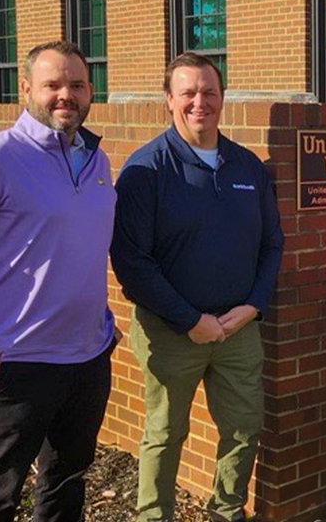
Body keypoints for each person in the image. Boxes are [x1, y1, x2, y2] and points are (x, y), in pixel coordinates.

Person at [111, 53, 284, 522]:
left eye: (209, 91)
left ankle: (227, 511)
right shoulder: (146, 170)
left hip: (238, 330)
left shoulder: (246, 166)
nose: (199, 102)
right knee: (165, 433)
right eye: (187, 92)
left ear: (222, 97)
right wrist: (189, 319)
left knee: (245, 428)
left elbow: (272, 243)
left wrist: (253, 305)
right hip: (171, 333)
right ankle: (154, 516)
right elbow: (131, 262)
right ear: (169, 100)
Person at [0, 41, 117, 522]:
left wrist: (103, 325)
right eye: (53, 84)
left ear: (90, 90)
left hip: (88, 360)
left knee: (66, 484)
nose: (65, 95)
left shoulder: (97, 160)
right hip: (14, 365)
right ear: (26, 88)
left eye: (76, 85)